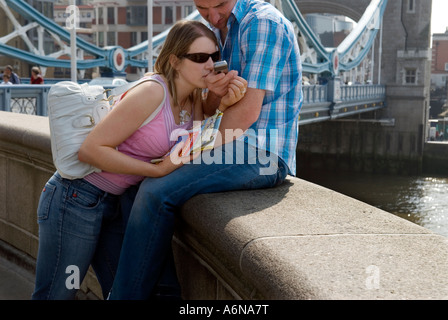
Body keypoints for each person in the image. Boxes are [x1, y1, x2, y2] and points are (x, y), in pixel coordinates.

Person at [31, 19, 247, 300]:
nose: (210, 64)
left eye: (215, 57)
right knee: (57, 294)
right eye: (199, 57)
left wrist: (222, 105)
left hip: (116, 205)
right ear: (175, 61)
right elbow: (91, 149)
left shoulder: (192, 99)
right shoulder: (151, 92)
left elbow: (193, 145)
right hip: (76, 199)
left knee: (122, 292)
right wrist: (154, 171)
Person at [107, 0, 303, 300]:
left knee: (154, 192)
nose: (213, 16)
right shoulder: (219, 30)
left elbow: (246, 115)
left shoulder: (262, 23)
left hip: (261, 152)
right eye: (202, 8)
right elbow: (212, 109)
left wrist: (183, 152)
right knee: (132, 186)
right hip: (230, 144)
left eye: (220, 5)